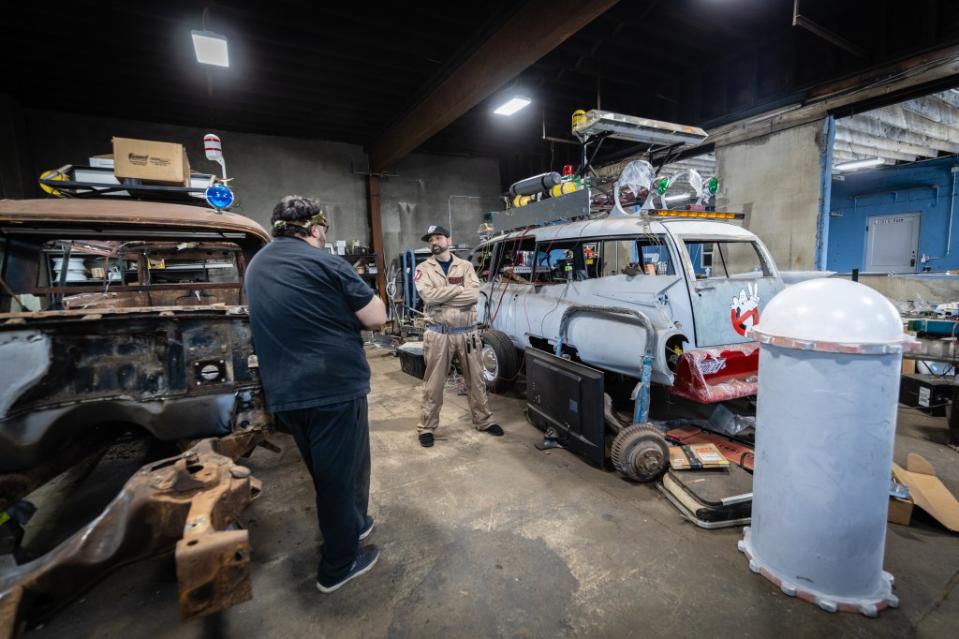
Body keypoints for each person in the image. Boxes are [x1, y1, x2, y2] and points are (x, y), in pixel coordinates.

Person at [245, 195, 387, 593]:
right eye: (322, 230)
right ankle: (339, 565)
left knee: (327, 471)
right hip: (333, 389)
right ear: (315, 228)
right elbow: (377, 317)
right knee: (340, 478)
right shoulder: (326, 262)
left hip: (286, 393)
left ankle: (354, 523)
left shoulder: (257, 265)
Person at [414, 224, 503, 447]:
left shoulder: (465, 266)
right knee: (433, 384)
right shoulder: (423, 268)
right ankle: (427, 427)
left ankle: (483, 420)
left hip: (467, 334)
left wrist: (443, 296)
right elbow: (428, 297)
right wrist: (456, 290)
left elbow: (473, 296)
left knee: (476, 379)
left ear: (448, 239)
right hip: (438, 334)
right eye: (431, 239)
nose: (434, 242)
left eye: (438, 237)